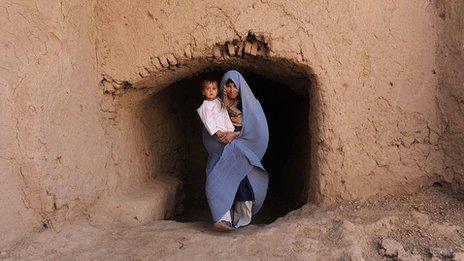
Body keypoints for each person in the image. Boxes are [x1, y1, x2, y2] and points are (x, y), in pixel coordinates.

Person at [201, 70, 269, 231]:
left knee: (243, 185)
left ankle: (241, 221)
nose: (231, 90)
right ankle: (222, 219)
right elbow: (209, 129)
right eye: (228, 86)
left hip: (244, 151)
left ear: (241, 87)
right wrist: (221, 138)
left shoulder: (251, 105)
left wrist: (235, 136)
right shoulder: (216, 105)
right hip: (220, 150)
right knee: (214, 179)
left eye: (235, 86)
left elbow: (258, 131)